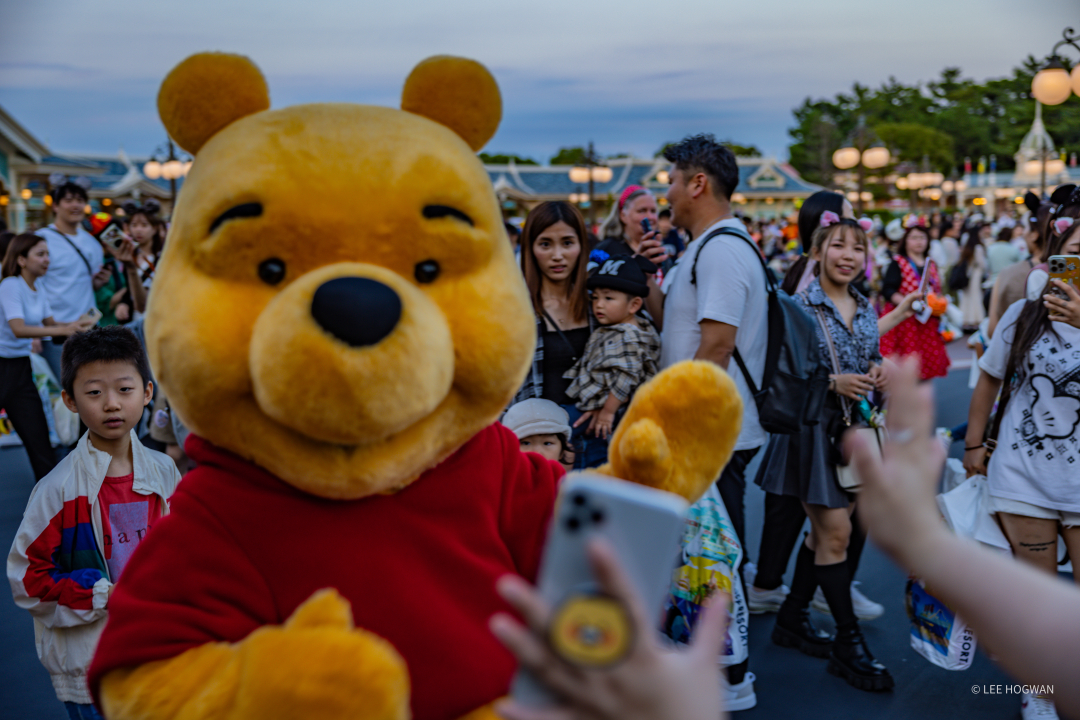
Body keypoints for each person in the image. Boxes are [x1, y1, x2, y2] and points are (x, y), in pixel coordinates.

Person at [490, 362, 1080, 720]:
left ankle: (797, 614)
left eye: (547, 445)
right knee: (825, 534)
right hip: (834, 440)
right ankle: (809, 619)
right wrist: (931, 548)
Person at [7, 325, 180, 720]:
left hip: (160, 655)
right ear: (70, 400)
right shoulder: (57, 490)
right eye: (94, 393)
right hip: (93, 665)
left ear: (147, 392)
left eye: (124, 389)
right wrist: (105, 596)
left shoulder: (165, 472)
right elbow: (28, 580)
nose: (112, 404)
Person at [755, 214, 893, 691]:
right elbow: (773, 371)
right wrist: (831, 382)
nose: (848, 256)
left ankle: (792, 618)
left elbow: (869, 358)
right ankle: (848, 644)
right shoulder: (796, 308)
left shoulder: (866, 307)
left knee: (826, 534)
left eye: (858, 248)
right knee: (836, 534)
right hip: (810, 431)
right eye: (838, 245)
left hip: (853, 432)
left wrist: (878, 370)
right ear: (816, 252)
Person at [963, 217, 1080, 720]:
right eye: (1075, 252)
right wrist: (973, 446)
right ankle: (1040, 690)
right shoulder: (1024, 313)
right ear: (1055, 256)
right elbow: (989, 378)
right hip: (1022, 475)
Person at [657, 133, 759, 701]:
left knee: (717, 554)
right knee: (708, 552)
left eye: (673, 181)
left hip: (711, 431)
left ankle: (731, 677)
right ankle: (719, 665)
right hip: (709, 428)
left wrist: (682, 423)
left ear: (698, 184)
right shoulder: (704, 247)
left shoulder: (721, 249)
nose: (667, 193)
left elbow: (717, 343)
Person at [1, 234, 93, 479]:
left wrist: (75, 325)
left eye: (48, 254)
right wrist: (62, 330)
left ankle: (50, 498)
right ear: (21, 259)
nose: (47, 260)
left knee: (39, 440)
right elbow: (18, 328)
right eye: (40, 254)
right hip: (3, 365)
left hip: (20, 369)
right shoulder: (10, 285)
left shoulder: (38, 286)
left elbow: (51, 325)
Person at [513, 201, 599, 463]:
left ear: (582, 245)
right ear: (530, 249)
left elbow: (637, 355)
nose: (558, 255)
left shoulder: (600, 303)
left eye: (567, 243)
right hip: (541, 449)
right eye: (545, 244)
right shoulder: (515, 310)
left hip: (599, 440)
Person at [562, 255, 660, 466]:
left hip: (605, 405)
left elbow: (627, 376)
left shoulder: (628, 335)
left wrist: (608, 412)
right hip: (600, 402)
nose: (599, 305)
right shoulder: (620, 327)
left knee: (558, 427)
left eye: (608, 298)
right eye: (595, 297)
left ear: (634, 305)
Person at [35, 182, 108, 382]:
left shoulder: (92, 243)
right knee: (66, 388)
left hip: (88, 330)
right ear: (55, 206)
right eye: (68, 200)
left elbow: (85, 284)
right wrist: (33, 332)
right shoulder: (41, 240)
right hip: (55, 333)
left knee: (90, 387)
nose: (75, 205)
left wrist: (98, 283)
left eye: (80, 200)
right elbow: (31, 286)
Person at [879, 225, 950, 380]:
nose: (919, 241)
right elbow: (888, 290)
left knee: (926, 364)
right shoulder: (897, 262)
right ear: (905, 241)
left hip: (927, 320)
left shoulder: (931, 264)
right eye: (914, 237)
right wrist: (907, 303)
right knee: (905, 363)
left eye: (922, 237)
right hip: (903, 320)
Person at [595, 185, 666, 324]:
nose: (650, 217)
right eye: (642, 211)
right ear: (623, 216)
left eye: (653, 211)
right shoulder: (605, 249)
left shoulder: (658, 251)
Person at [987, 203, 1050, 337]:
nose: (1023, 233)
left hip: (1018, 345)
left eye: (1025, 228)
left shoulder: (1008, 273)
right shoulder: (1070, 272)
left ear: (1034, 234)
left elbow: (993, 330)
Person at [502, 397, 575, 472]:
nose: (537, 453)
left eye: (547, 443)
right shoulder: (502, 479)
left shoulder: (567, 479)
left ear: (562, 451)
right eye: (526, 443)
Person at [956, 224, 988, 330]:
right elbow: (982, 263)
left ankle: (967, 319)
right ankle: (976, 319)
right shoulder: (978, 247)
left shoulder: (968, 246)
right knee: (976, 296)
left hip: (968, 275)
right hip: (976, 275)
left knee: (968, 297)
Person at [985, 225, 1023, 296]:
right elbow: (1020, 266)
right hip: (1008, 284)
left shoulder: (991, 248)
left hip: (993, 283)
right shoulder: (1014, 249)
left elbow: (987, 267)